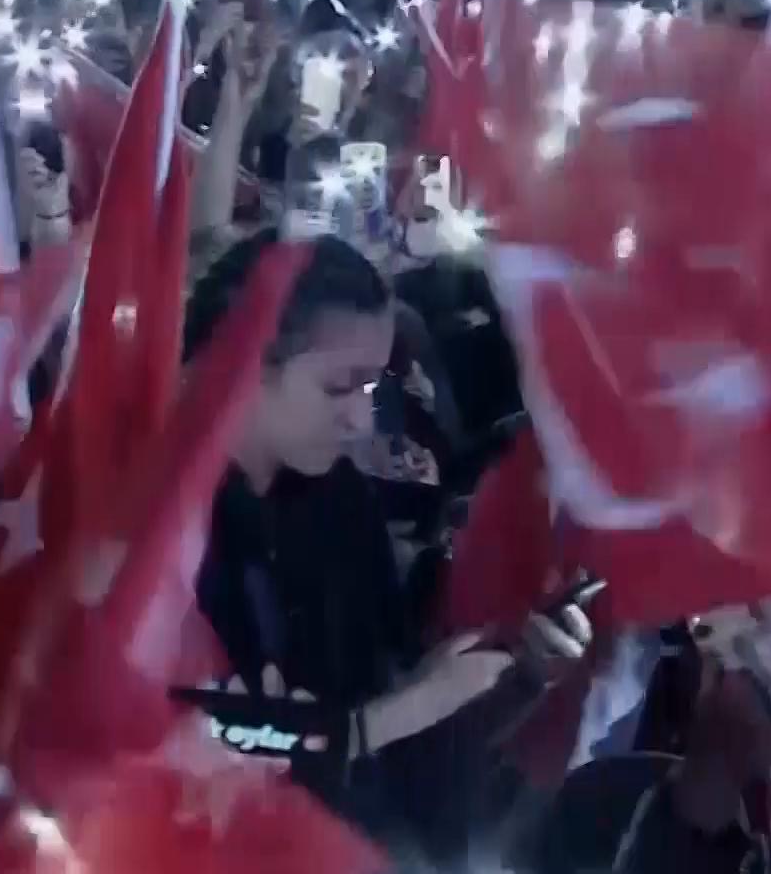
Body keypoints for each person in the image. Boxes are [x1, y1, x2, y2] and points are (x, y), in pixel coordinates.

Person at [186, 229, 525, 861]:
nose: (362, 419)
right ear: (245, 362)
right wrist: (404, 710)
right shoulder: (167, 537)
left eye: (372, 388)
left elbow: (377, 661)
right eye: (340, 388)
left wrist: (478, 675)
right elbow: (191, 738)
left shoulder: (334, 493)